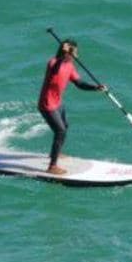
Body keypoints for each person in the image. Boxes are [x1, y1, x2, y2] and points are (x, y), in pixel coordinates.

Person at [38, 39, 106, 174]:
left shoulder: (69, 65)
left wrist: (95, 88)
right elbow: (55, 70)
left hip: (58, 103)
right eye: (74, 51)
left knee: (65, 126)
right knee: (60, 131)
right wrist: (62, 54)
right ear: (67, 52)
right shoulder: (53, 63)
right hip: (47, 104)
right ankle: (52, 166)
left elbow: (79, 83)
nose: (76, 54)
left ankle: (55, 153)